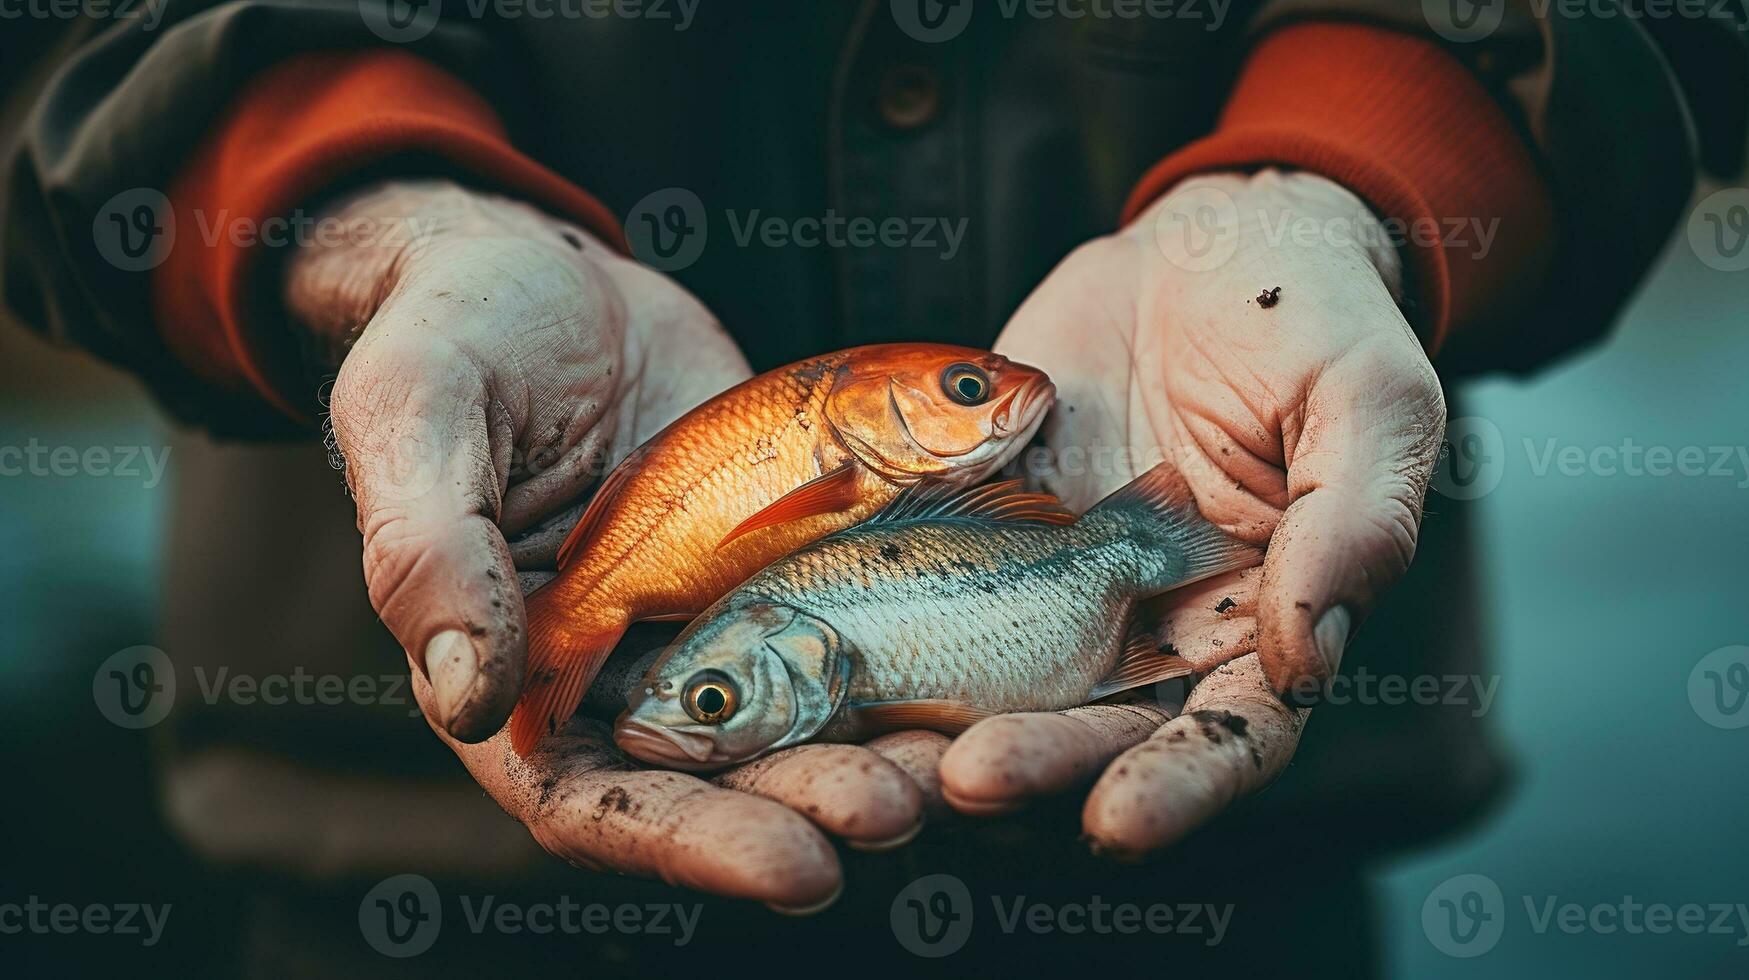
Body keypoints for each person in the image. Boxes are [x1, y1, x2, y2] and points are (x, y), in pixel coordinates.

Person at [3, 1, 1742, 974]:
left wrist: (1356, 169)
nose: (997, 411)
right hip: (413, 903)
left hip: (1221, 908)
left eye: (978, 402)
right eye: (970, 404)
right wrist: (354, 209)